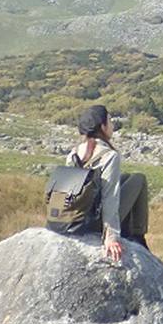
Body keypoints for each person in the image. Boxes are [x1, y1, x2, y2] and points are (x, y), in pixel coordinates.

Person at [69, 104, 149, 262]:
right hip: (95, 222)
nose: (112, 125)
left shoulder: (74, 152)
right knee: (139, 179)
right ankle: (137, 235)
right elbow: (109, 197)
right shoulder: (109, 155)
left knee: (127, 178)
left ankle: (131, 231)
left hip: (77, 220)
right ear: (102, 127)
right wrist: (111, 237)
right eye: (110, 121)